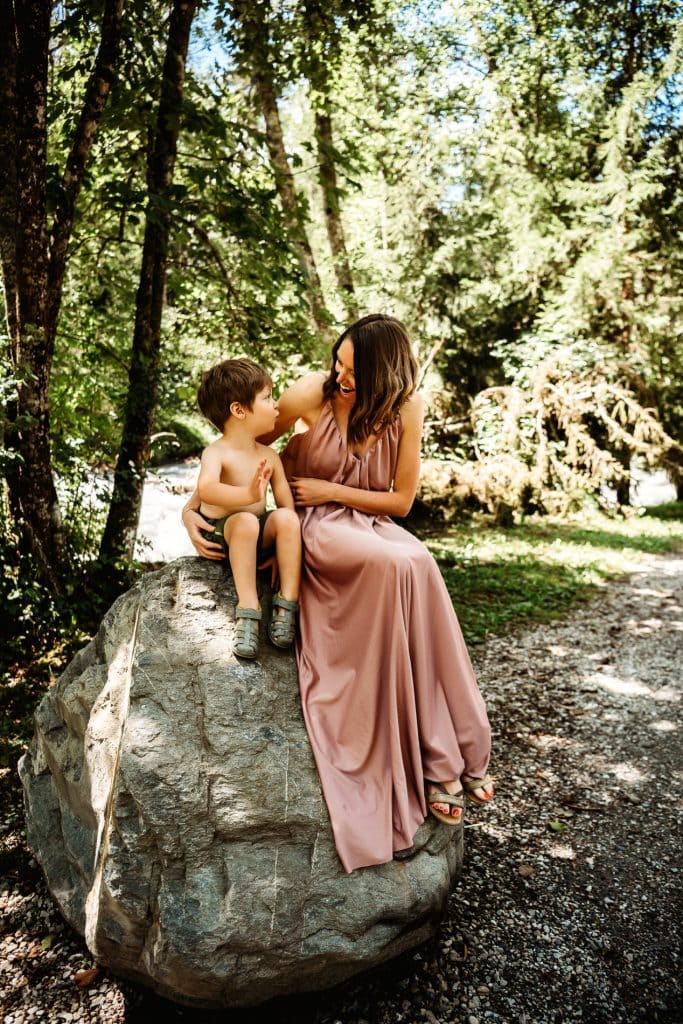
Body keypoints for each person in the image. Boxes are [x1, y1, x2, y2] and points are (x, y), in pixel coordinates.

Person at [184, 316, 493, 872]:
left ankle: (447, 749)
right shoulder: (310, 392)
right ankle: (432, 756)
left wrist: (331, 486)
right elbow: (242, 446)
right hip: (317, 527)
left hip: (375, 522)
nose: (340, 376)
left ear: (386, 372)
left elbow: (401, 503)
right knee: (394, 563)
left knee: (415, 559)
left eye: (354, 370)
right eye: (338, 363)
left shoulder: (408, 409)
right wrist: (193, 507)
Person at [196, 357, 301, 659]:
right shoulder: (216, 452)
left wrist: (286, 541)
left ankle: (287, 602)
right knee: (244, 521)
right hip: (225, 531)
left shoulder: (269, 454)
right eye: (267, 398)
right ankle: (248, 609)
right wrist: (248, 493)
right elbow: (207, 489)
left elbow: (284, 502)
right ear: (239, 410)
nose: (276, 404)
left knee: (287, 520)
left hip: (258, 532)